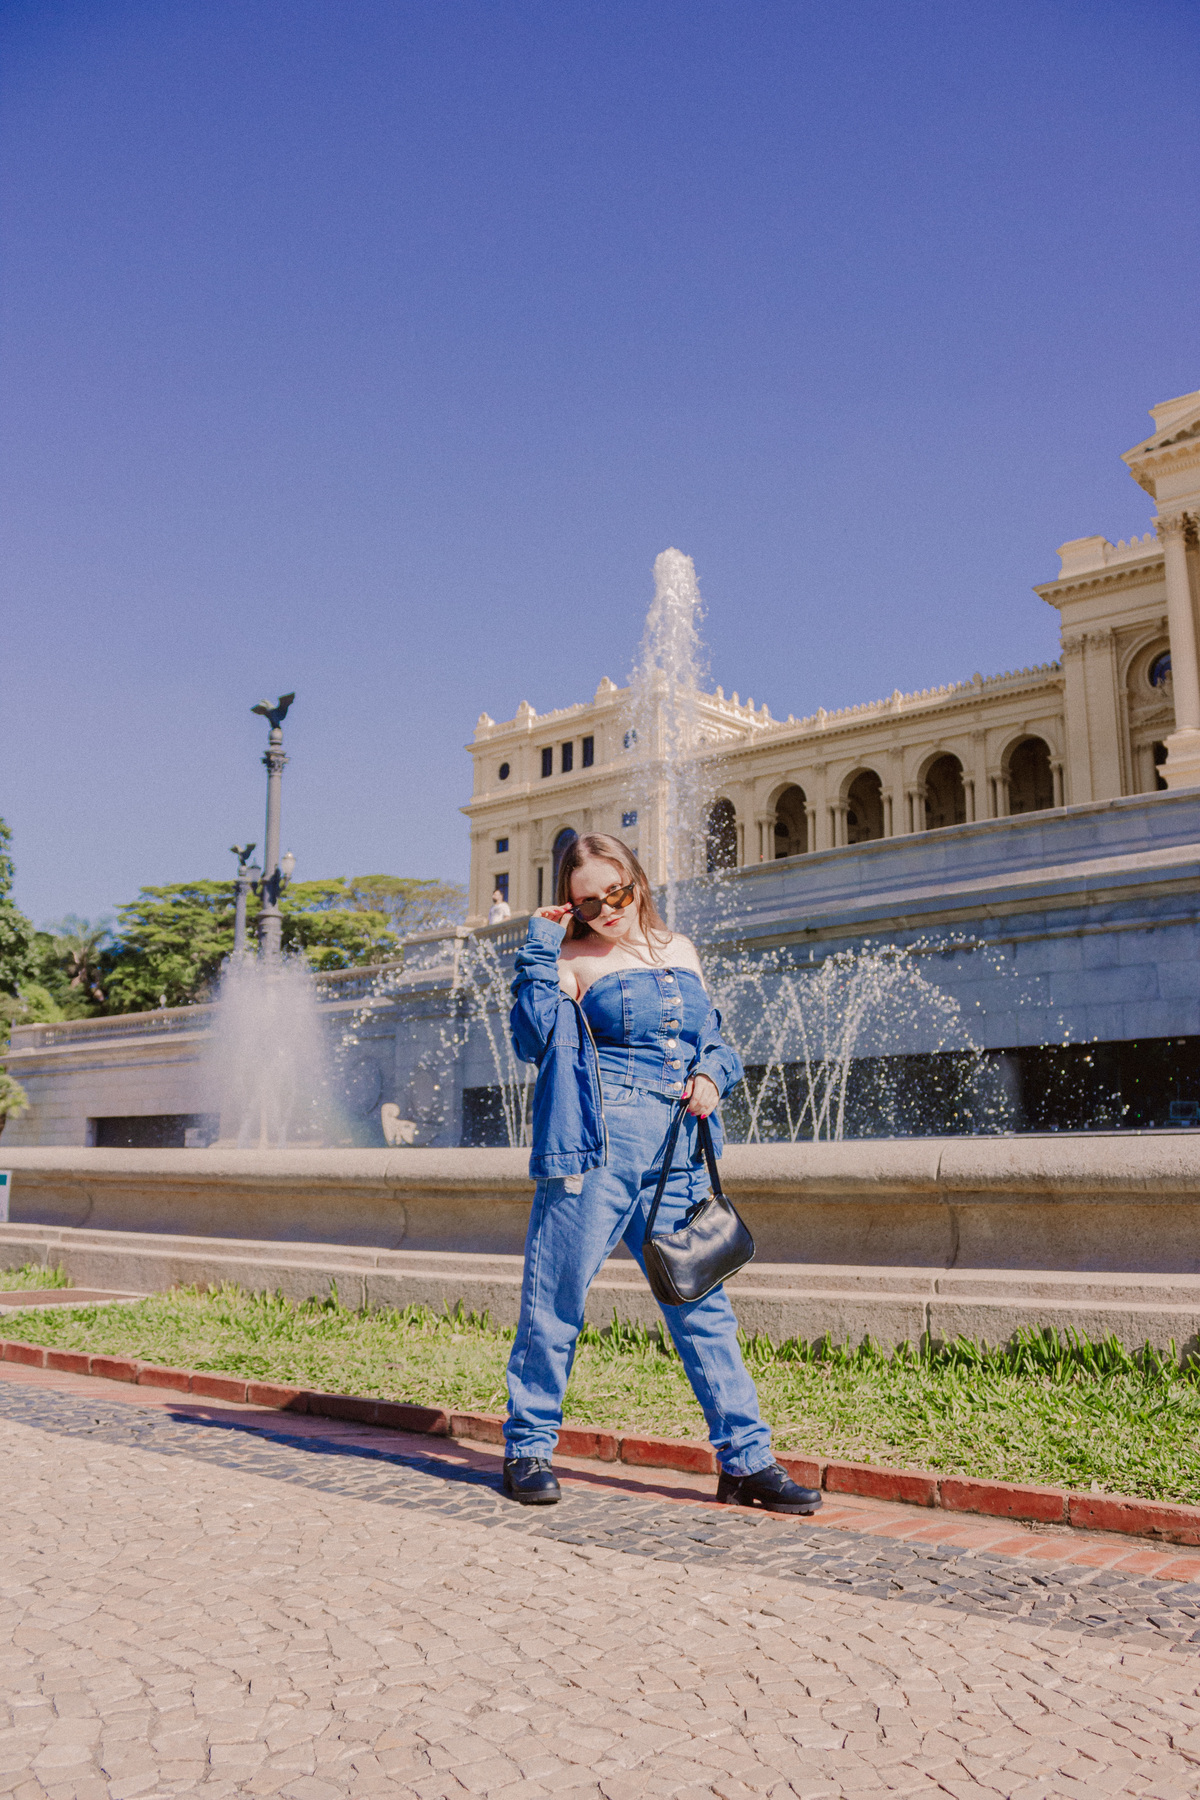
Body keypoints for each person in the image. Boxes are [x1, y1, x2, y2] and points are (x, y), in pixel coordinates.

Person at [503, 831, 822, 1515]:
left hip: (679, 1148)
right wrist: (538, 946)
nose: (605, 910)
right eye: (585, 903)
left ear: (637, 881)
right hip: (597, 1147)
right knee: (556, 1296)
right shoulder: (571, 959)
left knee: (703, 1308)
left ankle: (747, 1462)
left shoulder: (680, 950)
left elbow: (713, 1039)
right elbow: (532, 1038)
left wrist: (714, 1072)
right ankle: (528, 1446)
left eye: (613, 894)